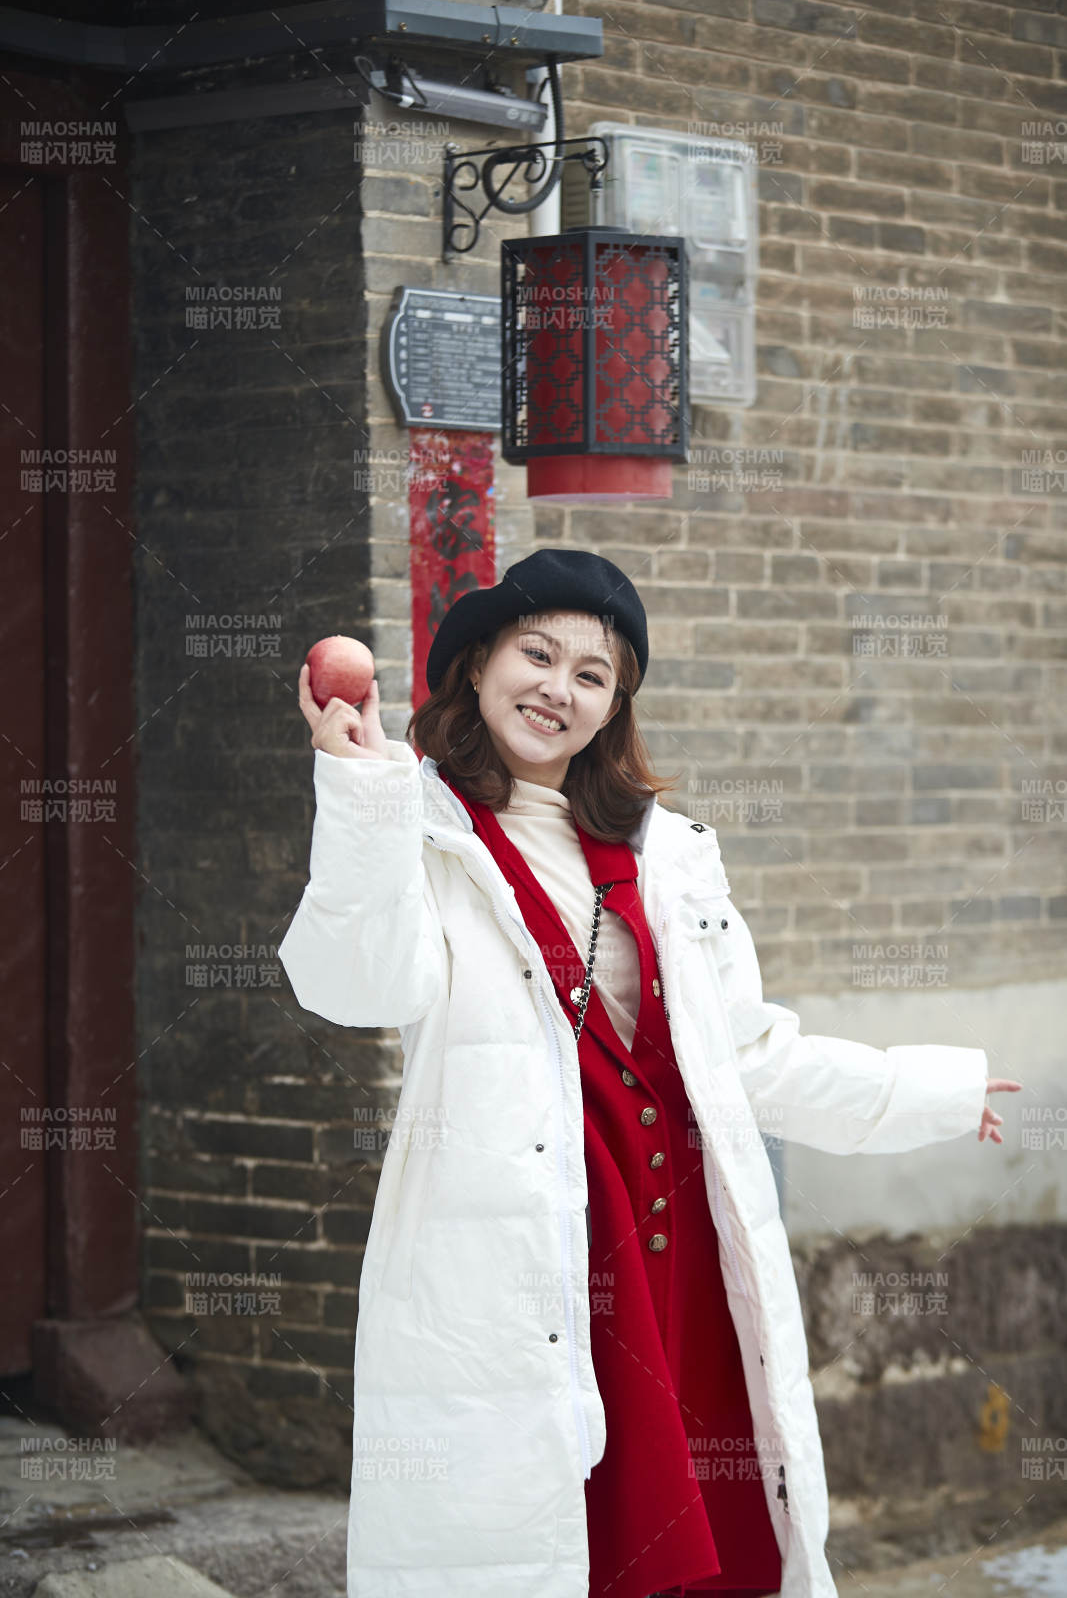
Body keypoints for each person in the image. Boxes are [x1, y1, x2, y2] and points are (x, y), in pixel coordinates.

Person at [279, 548, 1020, 1598]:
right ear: (479, 664)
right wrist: (359, 792)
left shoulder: (669, 854)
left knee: (701, 1535)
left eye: (592, 675)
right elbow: (354, 985)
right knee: (559, 1537)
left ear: (613, 706)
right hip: (535, 1249)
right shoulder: (421, 832)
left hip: (677, 1251)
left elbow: (746, 1054)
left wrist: (926, 1093)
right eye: (536, 655)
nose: (558, 689)